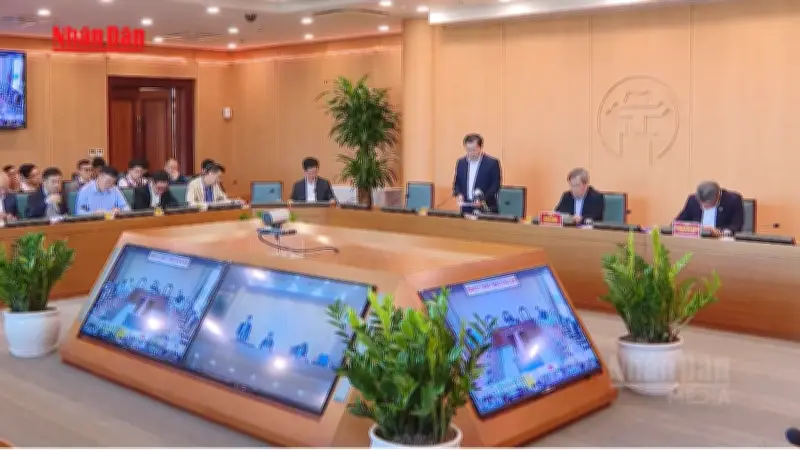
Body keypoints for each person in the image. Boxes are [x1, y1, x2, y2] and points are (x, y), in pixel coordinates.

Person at [452, 133, 502, 213]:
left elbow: (495, 185)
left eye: (473, 150)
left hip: (486, 207)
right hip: (466, 207)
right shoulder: (461, 163)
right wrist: (459, 194)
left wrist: (482, 199)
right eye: (468, 150)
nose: (470, 153)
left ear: (480, 147)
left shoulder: (492, 163)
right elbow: (457, 183)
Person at [676, 181, 744, 235]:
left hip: (720, 241)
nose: (702, 207)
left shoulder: (733, 200)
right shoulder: (692, 199)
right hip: (696, 239)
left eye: (707, 205)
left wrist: (719, 231)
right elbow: (678, 223)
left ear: (718, 196)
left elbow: (736, 226)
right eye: (700, 204)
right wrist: (697, 229)